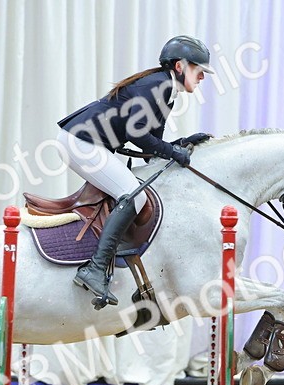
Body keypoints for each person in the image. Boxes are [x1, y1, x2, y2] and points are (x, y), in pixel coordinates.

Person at [57, 35, 216, 309]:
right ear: (180, 66)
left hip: (88, 143)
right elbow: (138, 135)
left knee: (133, 193)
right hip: (81, 143)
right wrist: (172, 151)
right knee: (135, 196)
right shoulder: (159, 86)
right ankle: (95, 269)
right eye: (199, 70)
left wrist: (182, 144)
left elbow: (152, 146)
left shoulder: (166, 91)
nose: (202, 77)